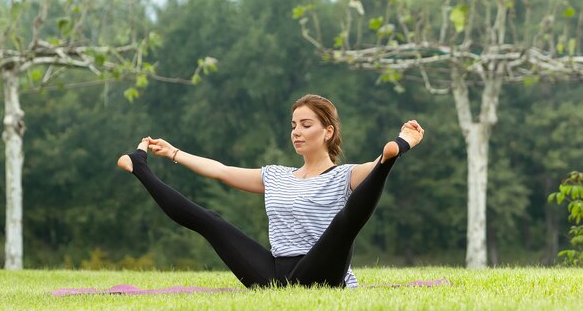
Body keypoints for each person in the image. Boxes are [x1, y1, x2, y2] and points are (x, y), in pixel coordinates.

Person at [117, 94, 424, 288]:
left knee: (345, 223)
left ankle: (394, 154)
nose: (296, 132)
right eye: (293, 125)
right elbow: (222, 171)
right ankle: (139, 166)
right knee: (211, 221)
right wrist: (174, 153)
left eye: (305, 125)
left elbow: (370, 171)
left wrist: (392, 151)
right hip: (276, 273)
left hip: (324, 270)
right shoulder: (275, 176)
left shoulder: (345, 175)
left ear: (327, 131)